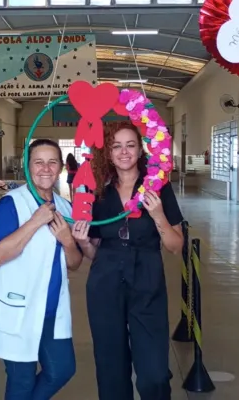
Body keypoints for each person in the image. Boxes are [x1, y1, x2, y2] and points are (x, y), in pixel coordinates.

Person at [71, 121, 184, 400]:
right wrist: (84, 240)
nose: (124, 152)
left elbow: (175, 246)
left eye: (130, 145)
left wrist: (158, 215)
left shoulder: (157, 187)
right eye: (116, 146)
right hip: (105, 280)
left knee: (154, 373)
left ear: (140, 150)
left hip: (147, 279)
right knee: (111, 366)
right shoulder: (98, 192)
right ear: (108, 153)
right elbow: (94, 252)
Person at [0, 139, 82, 399]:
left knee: (62, 369)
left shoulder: (65, 208)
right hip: (17, 309)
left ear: (61, 167)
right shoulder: (12, 203)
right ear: (27, 167)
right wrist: (34, 222)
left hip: (51, 310)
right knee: (21, 380)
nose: (45, 168)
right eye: (38, 162)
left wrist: (67, 240)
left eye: (52, 162)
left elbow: (74, 263)